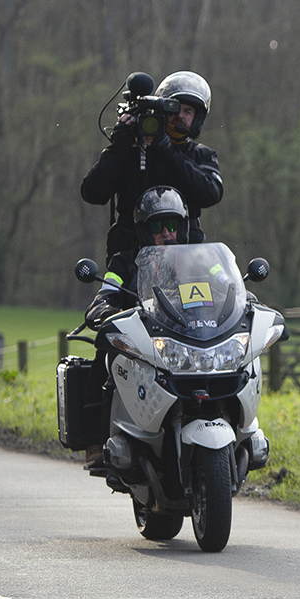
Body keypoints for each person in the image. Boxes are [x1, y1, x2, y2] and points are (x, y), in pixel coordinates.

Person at [82, 185, 191, 466]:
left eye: (173, 225)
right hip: (143, 342)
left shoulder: (197, 260)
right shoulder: (124, 262)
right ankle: (97, 439)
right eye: (158, 225)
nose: (167, 233)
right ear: (144, 229)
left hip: (188, 340)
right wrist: (106, 310)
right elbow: (105, 295)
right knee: (105, 355)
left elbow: (227, 286)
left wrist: (244, 297)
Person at [81, 71, 223, 258]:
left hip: (187, 259)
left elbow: (210, 194)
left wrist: (167, 150)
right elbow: (92, 193)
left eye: (188, 111)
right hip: (129, 261)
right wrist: (118, 147)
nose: (180, 116)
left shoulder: (201, 155)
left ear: (197, 118)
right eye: (175, 108)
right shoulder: (130, 152)